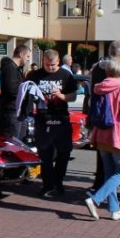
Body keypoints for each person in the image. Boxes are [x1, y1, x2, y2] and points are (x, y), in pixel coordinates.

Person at [83, 58, 120, 221]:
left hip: (101, 133)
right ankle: (95, 199)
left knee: (109, 173)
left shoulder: (98, 88)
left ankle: (114, 209)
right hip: (118, 134)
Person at [27, 49, 77, 198]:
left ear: (59, 62)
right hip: (42, 118)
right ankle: (47, 184)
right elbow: (26, 93)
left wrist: (61, 96)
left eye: (53, 65)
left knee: (64, 153)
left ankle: (58, 182)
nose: (50, 68)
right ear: (43, 62)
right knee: (44, 154)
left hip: (61, 118)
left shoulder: (66, 75)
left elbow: (73, 96)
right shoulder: (34, 75)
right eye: (47, 65)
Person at [0, 45, 30, 139]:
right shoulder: (10, 68)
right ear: (21, 54)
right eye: (27, 56)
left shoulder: (15, 68)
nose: (28, 60)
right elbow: (11, 89)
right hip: (11, 112)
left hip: (16, 111)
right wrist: (25, 90)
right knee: (11, 143)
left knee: (18, 141)